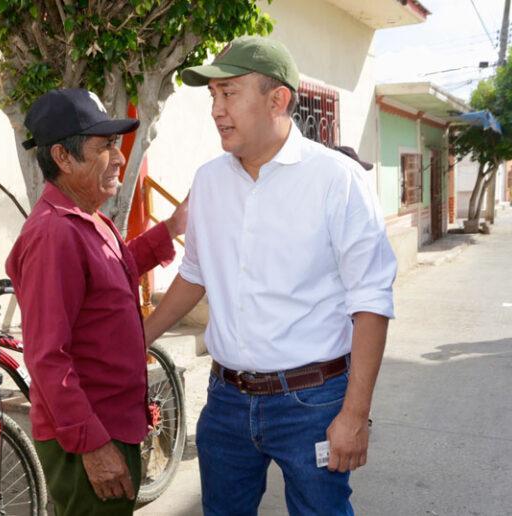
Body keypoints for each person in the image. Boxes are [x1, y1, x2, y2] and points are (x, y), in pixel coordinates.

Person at [144, 36, 397, 515]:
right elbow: (195, 273)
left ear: (277, 99)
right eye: (212, 96)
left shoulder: (336, 180)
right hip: (226, 401)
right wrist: (139, 338)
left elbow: (371, 301)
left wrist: (355, 413)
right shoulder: (209, 181)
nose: (216, 110)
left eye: (229, 93)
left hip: (313, 402)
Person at [5, 88, 188, 515]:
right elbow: (47, 356)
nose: (119, 157)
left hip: (111, 424)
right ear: (63, 158)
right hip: (88, 436)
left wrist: (171, 228)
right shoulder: (54, 233)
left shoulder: (88, 218)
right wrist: (92, 444)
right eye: (104, 146)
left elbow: (113, 272)